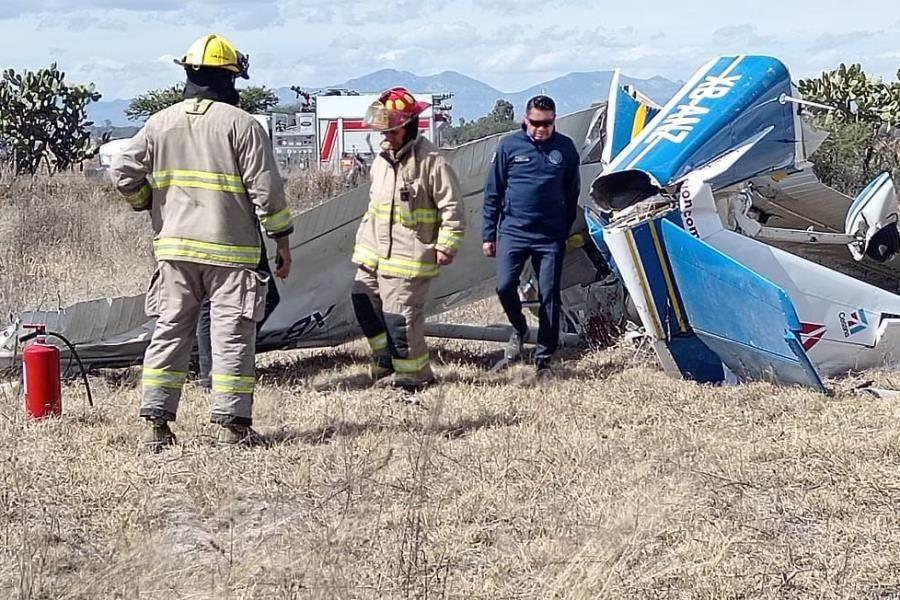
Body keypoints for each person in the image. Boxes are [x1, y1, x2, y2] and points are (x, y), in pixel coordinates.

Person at [111, 34, 293, 451]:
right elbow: (267, 193)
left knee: (170, 332)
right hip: (231, 254)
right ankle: (230, 427)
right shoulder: (241, 125)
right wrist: (281, 241)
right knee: (231, 335)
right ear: (229, 79)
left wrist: (146, 202)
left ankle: (154, 426)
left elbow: (123, 169)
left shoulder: (159, 123)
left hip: (174, 252)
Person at [351, 87, 465, 390]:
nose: (385, 136)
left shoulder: (431, 161)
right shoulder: (380, 161)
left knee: (400, 318)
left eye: (392, 130)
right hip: (373, 251)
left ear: (409, 127)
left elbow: (452, 206)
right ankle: (385, 359)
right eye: (383, 131)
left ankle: (414, 377)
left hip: (408, 255)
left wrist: (446, 244)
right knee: (362, 301)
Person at [482, 95, 581, 376]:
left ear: (554, 121)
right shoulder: (509, 147)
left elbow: (571, 191)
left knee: (549, 294)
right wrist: (489, 234)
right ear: (526, 120)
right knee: (504, 286)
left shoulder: (565, 149)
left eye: (547, 123)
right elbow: (493, 192)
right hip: (514, 231)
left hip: (549, 236)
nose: (541, 129)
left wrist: (563, 229)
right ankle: (520, 328)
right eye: (536, 123)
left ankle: (544, 359)